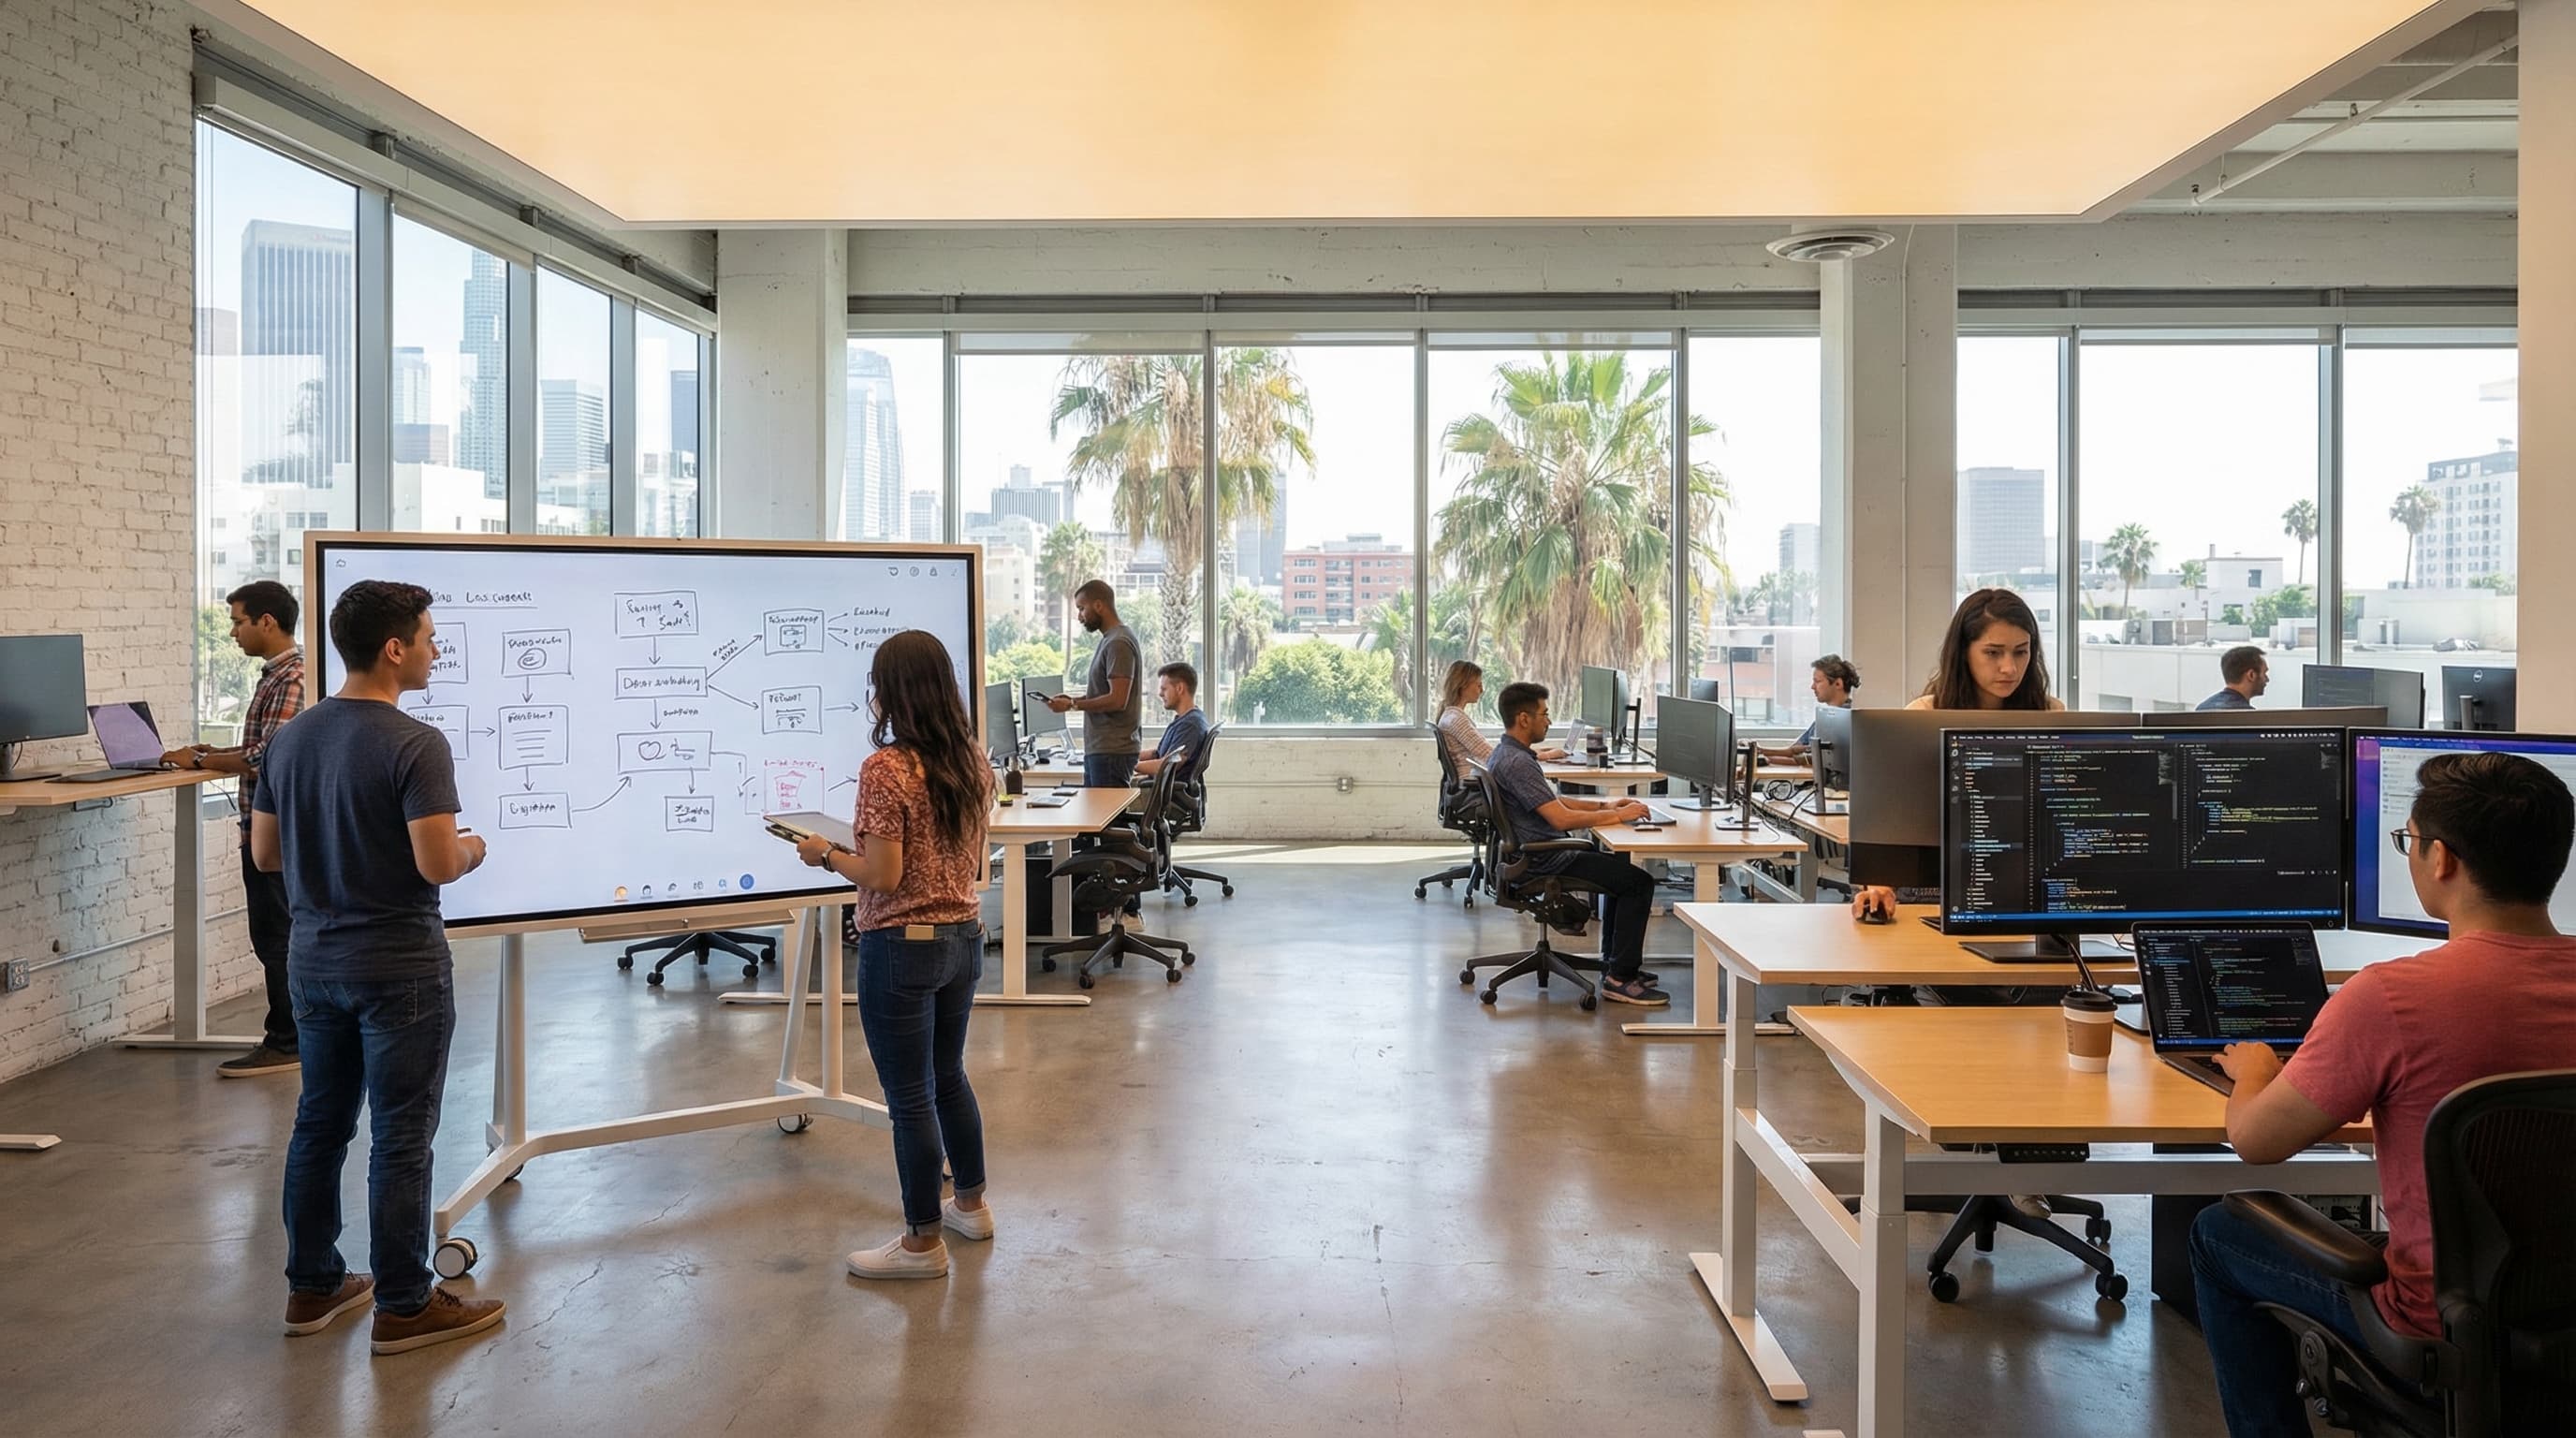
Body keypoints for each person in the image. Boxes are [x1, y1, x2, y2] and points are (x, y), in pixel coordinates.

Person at [2191, 752, 2576, 1438]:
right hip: (2562, 1325)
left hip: (2444, 1331)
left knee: (2219, 1233)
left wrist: (2253, 1071)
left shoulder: (2392, 998)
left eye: (2409, 841)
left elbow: (2256, 1142)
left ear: (2442, 861)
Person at [251, 580, 502, 1355]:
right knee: (401, 1136)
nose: (435, 649)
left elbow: (264, 853)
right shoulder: (415, 744)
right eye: (429, 637)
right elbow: (436, 862)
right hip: (400, 970)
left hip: (313, 961)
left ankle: (313, 1287)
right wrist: (472, 849)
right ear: (395, 649)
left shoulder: (292, 738)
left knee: (320, 1125)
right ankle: (403, 1303)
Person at [797, 630, 996, 1280]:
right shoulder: (973, 759)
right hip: (963, 939)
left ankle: (920, 1246)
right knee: (948, 1079)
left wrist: (823, 853)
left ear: (894, 692)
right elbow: (970, 861)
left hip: (901, 948)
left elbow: (881, 875)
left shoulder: (886, 769)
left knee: (910, 1097)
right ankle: (971, 1205)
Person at [161, 580, 306, 1077]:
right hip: (265, 825)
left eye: (238, 621)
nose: (231, 633)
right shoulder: (276, 675)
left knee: (277, 935)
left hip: (277, 830)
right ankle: (293, 1036)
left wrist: (202, 758)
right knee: (275, 934)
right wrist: (211, 753)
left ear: (267, 621)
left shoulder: (291, 677)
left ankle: (288, 1041)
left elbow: (271, 754)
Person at [1851, 589, 2063, 921]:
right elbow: (1889, 817)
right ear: (1963, 652)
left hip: (2025, 882)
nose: (2009, 667)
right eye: (1993, 653)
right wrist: (1878, 885)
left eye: (2021, 652)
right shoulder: (1921, 716)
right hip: (1929, 887)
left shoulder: (2051, 714)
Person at [1485, 682, 1667, 1006]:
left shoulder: (1508, 753)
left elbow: (1556, 802)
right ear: (1523, 719)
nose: (1549, 721)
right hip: (1546, 859)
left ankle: (1616, 964)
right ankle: (1620, 979)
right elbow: (1561, 820)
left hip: (1539, 852)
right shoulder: (1518, 763)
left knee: (1621, 869)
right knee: (1638, 883)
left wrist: (1606, 807)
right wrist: (1617, 816)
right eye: (1544, 714)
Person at [1046, 580, 1144, 787]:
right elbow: (1105, 693)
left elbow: (1118, 700)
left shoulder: (1118, 642)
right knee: (1093, 816)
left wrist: (1073, 705)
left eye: (1082, 608)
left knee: (1104, 819)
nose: (1079, 616)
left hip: (1112, 752)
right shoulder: (1110, 639)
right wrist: (1072, 700)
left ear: (1099, 605)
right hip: (1102, 750)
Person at [1431, 660, 1563, 782]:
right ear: (1463, 686)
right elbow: (1492, 757)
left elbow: (1492, 754)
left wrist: (1537, 752)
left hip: (1472, 783)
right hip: (1475, 786)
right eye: (1479, 685)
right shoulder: (1456, 720)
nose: (1482, 690)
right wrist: (1547, 755)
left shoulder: (1450, 715)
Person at [1757, 653, 1859, 762]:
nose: (1812, 687)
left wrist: (1768, 760)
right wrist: (1759, 751)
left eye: (1817, 681)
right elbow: (1793, 750)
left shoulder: (1848, 720)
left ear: (1838, 684)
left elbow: (1811, 759)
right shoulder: (1824, 717)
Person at [1134, 661, 1208, 782]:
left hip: (1165, 794)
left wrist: (1130, 766)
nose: (1160, 694)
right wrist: (1127, 758)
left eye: (1164, 689)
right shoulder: (1184, 719)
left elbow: (1168, 765)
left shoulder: (1190, 725)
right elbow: (1158, 754)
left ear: (1179, 688)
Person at [2197, 645, 2268, 712]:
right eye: (2264, 673)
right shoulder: (2247, 715)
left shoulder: (2201, 708)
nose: (2267, 680)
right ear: (2251, 675)